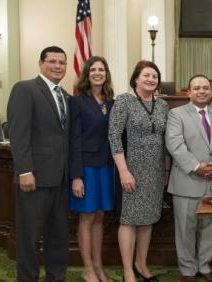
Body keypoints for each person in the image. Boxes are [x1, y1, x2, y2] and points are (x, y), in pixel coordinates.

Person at [7, 46, 70, 281]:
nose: (57, 66)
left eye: (62, 62)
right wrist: (24, 170)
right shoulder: (25, 89)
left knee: (58, 237)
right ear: (41, 64)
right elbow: (18, 133)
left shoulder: (66, 96)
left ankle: (56, 278)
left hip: (60, 180)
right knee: (29, 238)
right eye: (52, 61)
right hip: (34, 179)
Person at [108, 60, 169, 282]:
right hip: (131, 169)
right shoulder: (124, 101)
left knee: (148, 219)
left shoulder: (162, 105)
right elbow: (113, 137)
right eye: (146, 75)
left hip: (155, 171)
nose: (151, 79)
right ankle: (127, 270)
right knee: (129, 220)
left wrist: (166, 171)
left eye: (154, 76)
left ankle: (141, 264)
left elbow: (166, 139)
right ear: (136, 78)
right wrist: (123, 171)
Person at [166, 74, 212, 282]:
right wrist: (196, 167)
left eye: (205, 88)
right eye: (197, 88)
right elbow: (175, 145)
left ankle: (204, 265)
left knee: (210, 229)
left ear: (210, 92)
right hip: (187, 182)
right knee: (186, 230)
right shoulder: (176, 114)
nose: (202, 91)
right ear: (188, 92)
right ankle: (188, 271)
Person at [69, 56, 115, 282]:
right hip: (86, 168)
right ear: (87, 74)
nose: (98, 73)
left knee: (99, 217)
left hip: (106, 166)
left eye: (102, 69)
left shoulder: (110, 101)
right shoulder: (77, 101)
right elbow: (74, 140)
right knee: (86, 218)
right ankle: (87, 269)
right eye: (93, 69)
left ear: (106, 74)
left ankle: (98, 267)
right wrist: (76, 176)